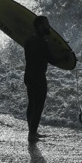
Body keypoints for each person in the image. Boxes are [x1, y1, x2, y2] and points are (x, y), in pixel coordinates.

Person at [23, 15, 58, 143]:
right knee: (38, 106)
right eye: (46, 24)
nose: (48, 26)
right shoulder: (42, 42)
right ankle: (32, 134)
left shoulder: (29, 40)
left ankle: (32, 131)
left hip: (28, 76)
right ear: (39, 26)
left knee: (31, 104)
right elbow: (52, 60)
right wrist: (66, 57)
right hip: (38, 77)